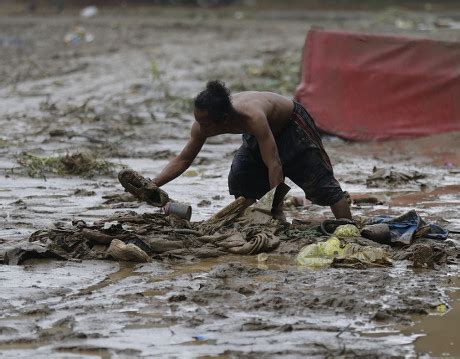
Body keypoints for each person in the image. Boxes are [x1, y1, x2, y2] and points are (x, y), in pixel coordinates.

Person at [151, 80, 351, 220]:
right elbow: (183, 160)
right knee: (240, 177)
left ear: (224, 119)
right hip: (258, 136)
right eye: (197, 120)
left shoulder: (252, 117)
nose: (200, 128)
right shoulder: (202, 125)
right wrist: (151, 185)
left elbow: (274, 164)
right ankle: (253, 217)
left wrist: (274, 209)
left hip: (291, 126)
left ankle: (348, 230)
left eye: (205, 123)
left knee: (323, 186)